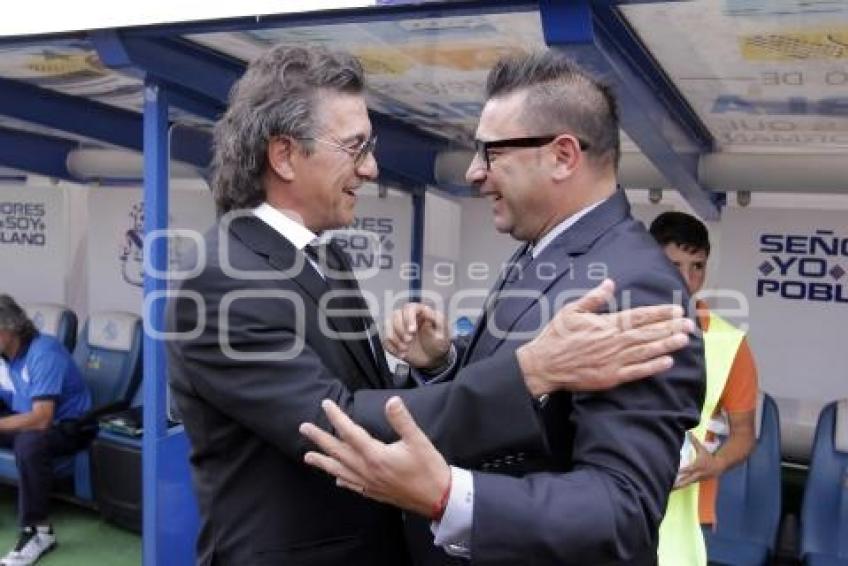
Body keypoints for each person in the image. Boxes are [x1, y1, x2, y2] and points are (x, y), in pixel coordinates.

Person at [166, 45, 695, 566]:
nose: (372, 167)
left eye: (490, 151)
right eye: (356, 146)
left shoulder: (632, 286)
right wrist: (513, 372)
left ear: (562, 156)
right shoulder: (225, 280)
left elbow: (621, 508)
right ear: (284, 155)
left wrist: (444, 388)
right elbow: (342, 422)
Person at [650, 211, 758, 565]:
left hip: (689, 514)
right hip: (612, 499)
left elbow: (744, 433)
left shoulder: (729, 342)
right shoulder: (613, 324)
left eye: (697, 266)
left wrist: (717, 463)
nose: (688, 278)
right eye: (675, 264)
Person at [0, 295, 92, 566]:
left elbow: (42, 419)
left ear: (10, 329)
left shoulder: (43, 352)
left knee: (29, 443)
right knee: (26, 436)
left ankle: (38, 531)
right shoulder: (5, 356)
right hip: (25, 416)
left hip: (69, 426)